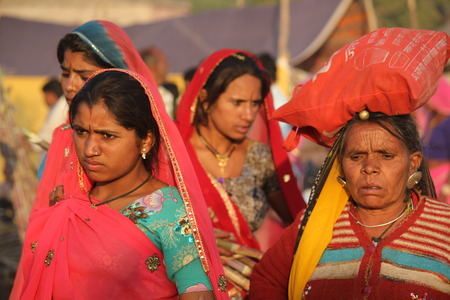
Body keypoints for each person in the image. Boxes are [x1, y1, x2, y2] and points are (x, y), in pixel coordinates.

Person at [250, 27, 450, 299]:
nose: (370, 167)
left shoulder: (444, 227)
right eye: (356, 156)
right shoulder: (313, 224)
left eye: (386, 155)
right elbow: (266, 280)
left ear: (413, 163)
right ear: (341, 165)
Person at [10, 69, 228, 299]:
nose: (90, 149)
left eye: (107, 136)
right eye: (82, 132)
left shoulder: (167, 211)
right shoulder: (70, 202)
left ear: (146, 140)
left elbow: (196, 292)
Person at [176, 49, 305, 297]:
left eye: (255, 103)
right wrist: (189, 232)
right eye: (237, 103)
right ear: (205, 99)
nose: (248, 115)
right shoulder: (175, 156)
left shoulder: (258, 158)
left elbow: (298, 223)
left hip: (250, 284)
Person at [34, 20, 158, 209]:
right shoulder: (62, 136)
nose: (70, 86)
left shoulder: (147, 137)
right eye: (65, 73)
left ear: (118, 74)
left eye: (84, 76)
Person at [417, 76, 450, 203]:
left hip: (444, 177)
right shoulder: (430, 118)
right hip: (430, 175)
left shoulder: (448, 122)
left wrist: (446, 188)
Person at [140, 46, 178, 119]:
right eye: (165, 62)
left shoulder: (131, 88)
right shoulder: (164, 95)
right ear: (153, 67)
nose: (168, 66)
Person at [38, 78, 66, 147]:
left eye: (46, 95)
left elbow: (49, 133)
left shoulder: (61, 107)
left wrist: (32, 144)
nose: (44, 99)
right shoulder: (57, 106)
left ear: (52, 94)